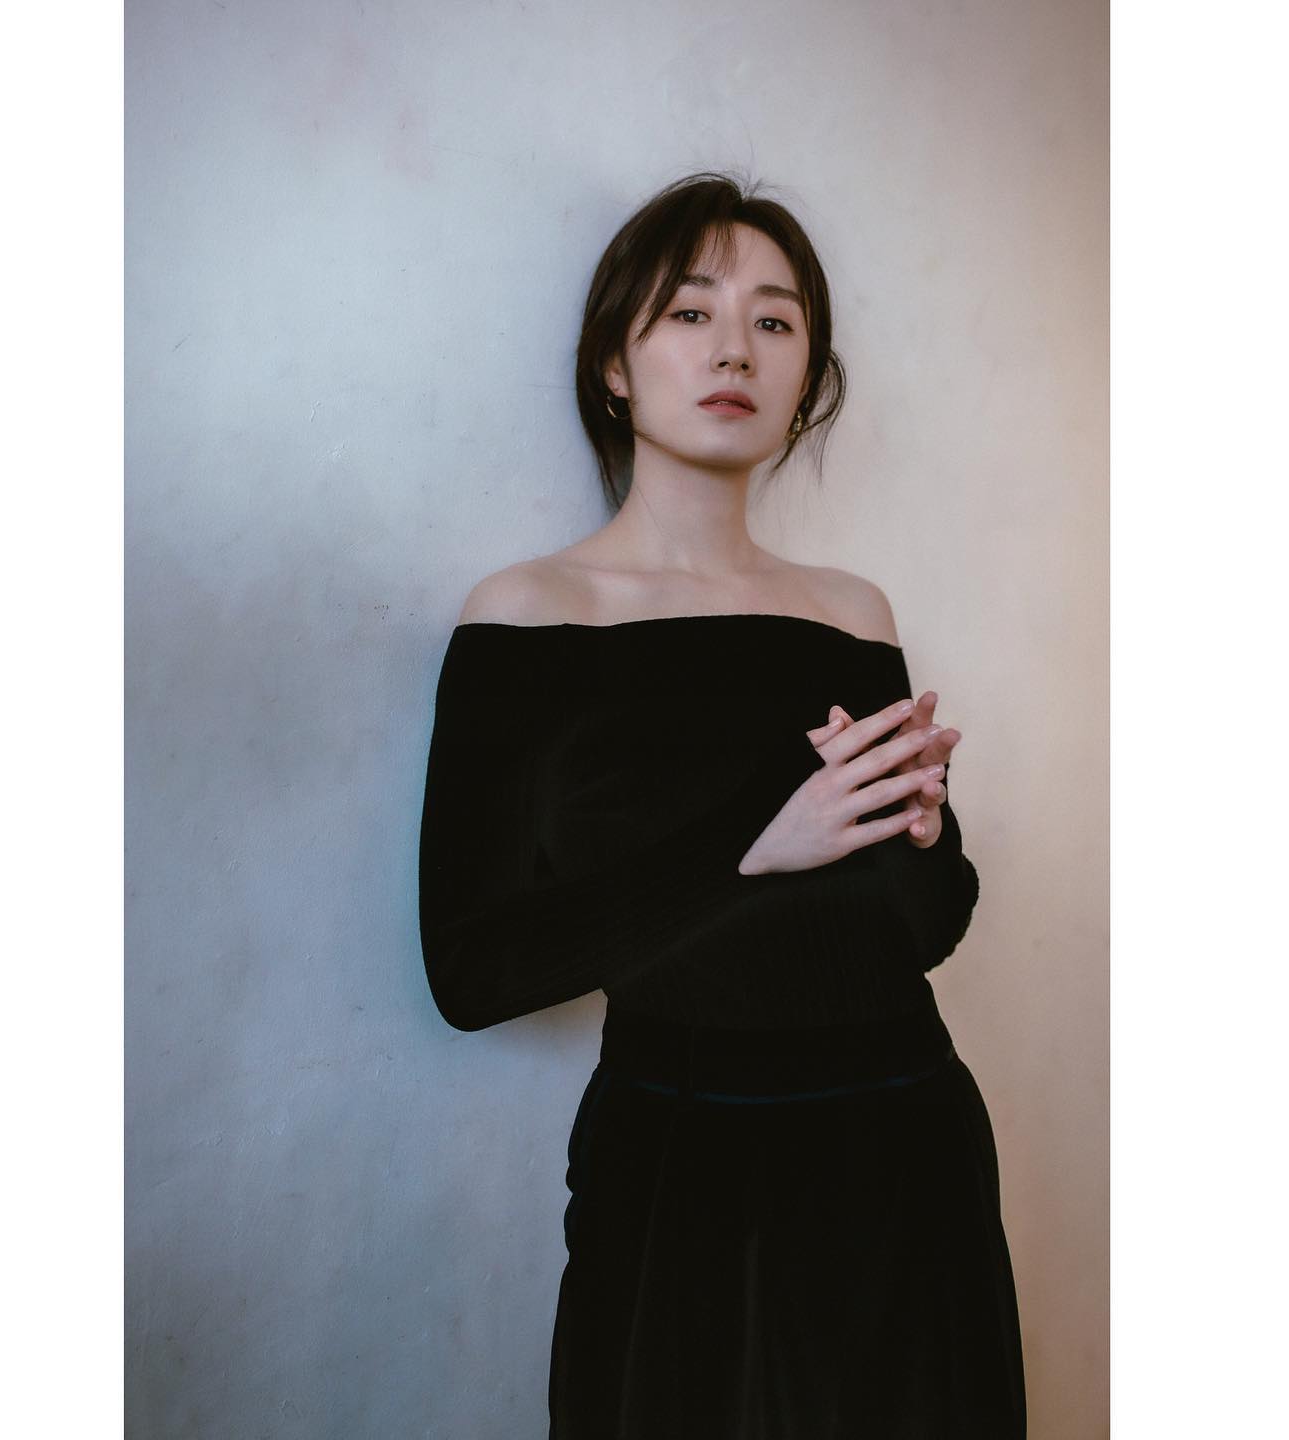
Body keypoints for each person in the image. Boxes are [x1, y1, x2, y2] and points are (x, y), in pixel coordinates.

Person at [417, 172, 1026, 1437]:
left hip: (906, 1146)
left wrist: (921, 839)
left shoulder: (851, 614)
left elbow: (924, 928)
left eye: (775, 320)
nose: (736, 348)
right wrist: (757, 839)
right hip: (680, 1165)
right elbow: (472, 972)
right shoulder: (527, 615)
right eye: (691, 312)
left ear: (808, 377)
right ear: (614, 366)